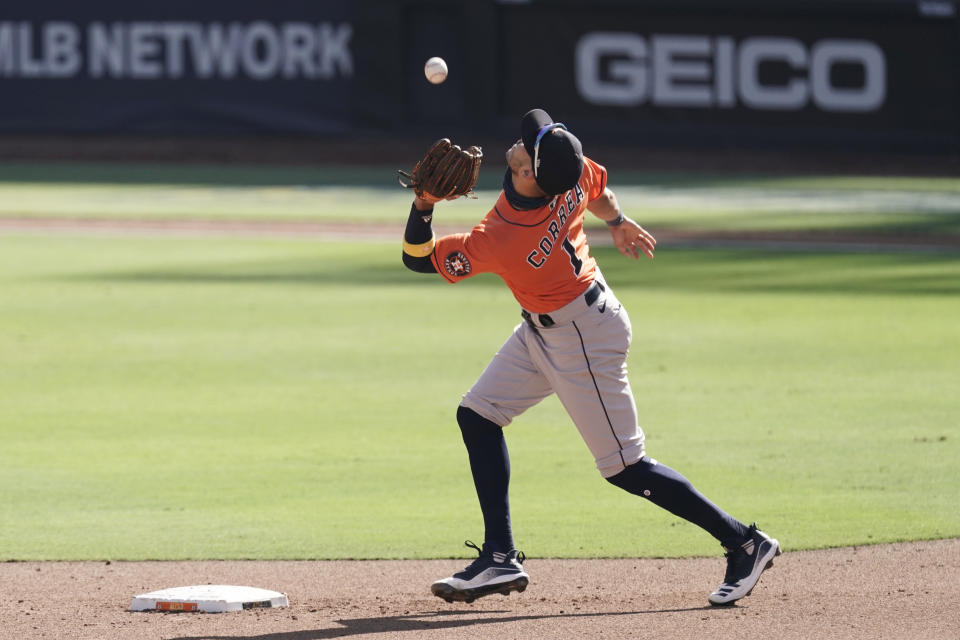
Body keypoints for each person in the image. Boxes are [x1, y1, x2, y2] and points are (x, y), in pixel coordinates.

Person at [400, 108, 780, 606]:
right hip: (556, 322)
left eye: (525, 148)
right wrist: (618, 222)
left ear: (531, 175)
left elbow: (416, 257)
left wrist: (425, 204)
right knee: (477, 415)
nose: (520, 143)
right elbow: (597, 188)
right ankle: (499, 556)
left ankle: (743, 542)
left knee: (625, 466)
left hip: (581, 337)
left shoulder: (504, 236)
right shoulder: (570, 170)